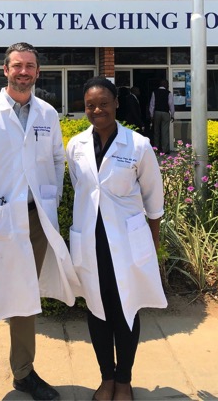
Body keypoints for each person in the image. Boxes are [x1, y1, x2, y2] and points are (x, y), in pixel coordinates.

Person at [0, 42, 79, 401]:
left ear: (38, 72)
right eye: (18, 65)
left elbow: (56, 159)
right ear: (5, 70)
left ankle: (24, 374)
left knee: (25, 298)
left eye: (31, 66)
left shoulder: (47, 114)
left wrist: (49, 198)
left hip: (35, 222)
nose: (24, 72)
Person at [66, 76, 167, 401]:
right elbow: (80, 187)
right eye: (90, 105)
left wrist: (153, 245)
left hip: (127, 244)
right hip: (90, 243)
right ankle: (105, 379)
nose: (98, 110)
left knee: (126, 310)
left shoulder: (137, 145)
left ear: (116, 104)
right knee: (96, 310)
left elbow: (154, 199)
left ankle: (123, 380)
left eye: (104, 103)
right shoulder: (76, 146)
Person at [149, 79, 174, 154]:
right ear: (165, 85)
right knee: (165, 132)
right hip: (165, 113)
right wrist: (172, 115)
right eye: (168, 84)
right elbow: (171, 105)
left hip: (157, 112)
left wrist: (151, 115)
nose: (168, 85)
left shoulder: (154, 92)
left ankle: (156, 149)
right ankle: (164, 149)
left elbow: (152, 105)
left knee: (156, 131)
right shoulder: (168, 93)